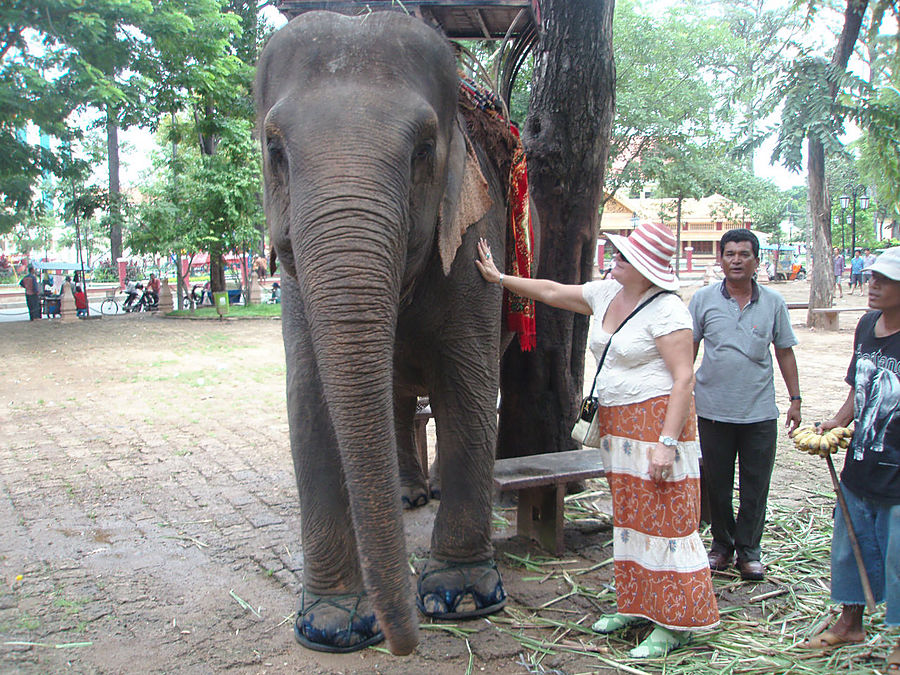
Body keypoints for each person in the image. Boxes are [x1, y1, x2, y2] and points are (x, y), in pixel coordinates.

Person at [475, 222, 719, 658]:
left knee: (664, 522)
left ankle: (675, 620)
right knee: (629, 516)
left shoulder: (668, 312)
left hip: (658, 425)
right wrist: (500, 278)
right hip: (620, 427)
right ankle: (636, 604)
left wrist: (666, 442)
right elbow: (551, 291)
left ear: (644, 267)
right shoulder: (606, 294)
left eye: (624, 257)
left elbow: (684, 379)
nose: (614, 260)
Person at [689, 229, 801, 581]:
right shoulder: (702, 300)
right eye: (730, 253)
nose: (736, 259)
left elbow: (784, 351)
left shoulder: (773, 303)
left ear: (756, 260)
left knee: (756, 485)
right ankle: (721, 545)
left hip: (759, 413)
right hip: (712, 411)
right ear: (720, 259)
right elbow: (686, 351)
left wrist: (795, 399)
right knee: (717, 485)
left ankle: (749, 551)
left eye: (744, 254)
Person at [809, 246, 900, 672]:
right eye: (873, 276)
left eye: (885, 280)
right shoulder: (866, 326)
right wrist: (835, 422)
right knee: (850, 547)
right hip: (860, 463)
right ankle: (850, 622)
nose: (873, 284)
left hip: (897, 472)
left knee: (898, 557)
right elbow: (856, 388)